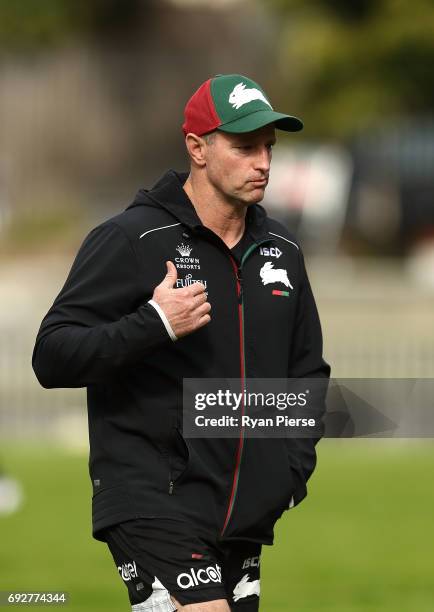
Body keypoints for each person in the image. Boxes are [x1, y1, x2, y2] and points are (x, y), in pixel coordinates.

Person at [32, 74, 330, 611]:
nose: (262, 162)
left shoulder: (283, 250)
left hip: (245, 514)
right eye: (244, 147)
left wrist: (289, 471)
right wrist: (153, 323)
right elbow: (52, 355)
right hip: (151, 500)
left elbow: (306, 374)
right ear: (197, 147)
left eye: (269, 147)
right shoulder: (131, 239)